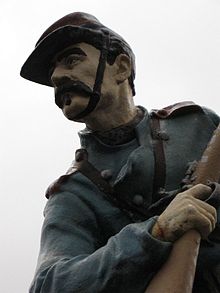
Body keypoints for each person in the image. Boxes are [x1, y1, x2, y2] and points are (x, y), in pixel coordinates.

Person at [21, 12, 220, 293]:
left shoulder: (196, 124)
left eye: (72, 60)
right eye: (53, 71)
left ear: (122, 67)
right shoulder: (73, 193)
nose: (57, 76)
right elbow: (51, 284)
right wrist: (155, 232)